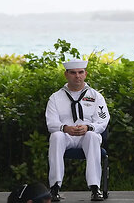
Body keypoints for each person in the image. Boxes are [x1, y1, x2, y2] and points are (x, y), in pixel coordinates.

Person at [45, 59, 110, 202]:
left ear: (85, 74)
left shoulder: (95, 96)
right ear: (66, 74)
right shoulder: (55, 98)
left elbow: (103, 121)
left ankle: (95, 188)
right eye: (73, 73)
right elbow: (51, 123)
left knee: (93, 136)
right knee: (55, 136)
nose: (77, 76)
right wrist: (65, 128)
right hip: (65, 135)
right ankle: (55, 187)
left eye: (80, 72)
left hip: (86, 135)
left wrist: (88, 127)